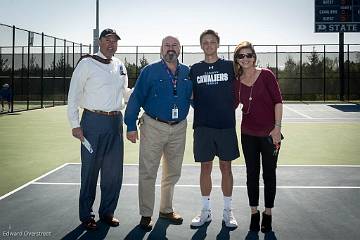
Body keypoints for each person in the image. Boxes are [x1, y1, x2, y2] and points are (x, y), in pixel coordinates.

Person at [124, 36, 192, 231]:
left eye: (174, 45)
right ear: (161, 49)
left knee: (173, 172)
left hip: (179, 127)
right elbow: (136, 98)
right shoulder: (150, 71)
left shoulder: (187, 72)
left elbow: (194, 98)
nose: (170, 49)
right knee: (148, 172)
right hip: (153, 125)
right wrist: (130, 125)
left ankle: (166, 209)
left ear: (179, 49)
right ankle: (146, 214)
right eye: (167, 45)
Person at [67, 28, 129, 230]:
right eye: (107, 40)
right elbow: (73, 96)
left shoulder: (120, 65)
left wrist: (144, 93)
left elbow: (125, 93)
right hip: (92, 122)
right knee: (90, 171)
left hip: (115, 123)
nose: (111, 44)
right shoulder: (87, 63)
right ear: (100, 42)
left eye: (115, 41)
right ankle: (87, 216)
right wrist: (75, 124)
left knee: (113, 172)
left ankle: (107, 212)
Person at [189, 30, 240, 229]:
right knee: (205, 168)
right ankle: (206, 211)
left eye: (212, 42)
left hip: (226, 126)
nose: (209, 45)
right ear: (201, 46)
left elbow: (241, 87)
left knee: (226, 167)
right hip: (203, 127)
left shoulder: (230, 66)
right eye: (205, 42)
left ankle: (228, 212)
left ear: (218, 44)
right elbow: (191, 95)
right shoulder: (195, 69)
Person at [233, 41, 283, 236]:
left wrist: (277, 128)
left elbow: (278, 102)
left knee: (269, 174)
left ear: (254, 57)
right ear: (237, 60)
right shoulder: (236, 81)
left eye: (248, 55)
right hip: (248, 134)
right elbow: (229, 104)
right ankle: (254, 212)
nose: (245, 59)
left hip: (270, 134)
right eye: (241, 56)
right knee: (251, 175)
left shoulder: (266, 75)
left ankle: (268, 213)